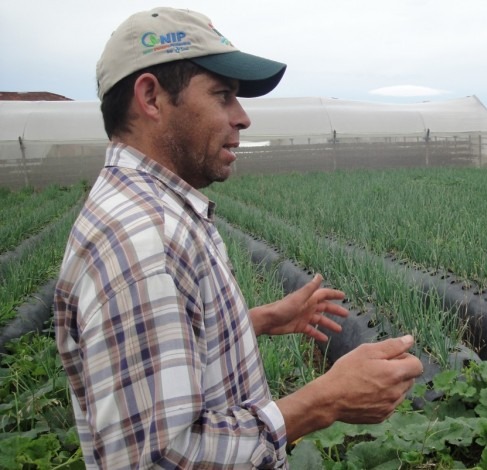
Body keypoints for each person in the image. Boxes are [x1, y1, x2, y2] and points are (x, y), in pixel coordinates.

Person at [54, 7, 423, 469]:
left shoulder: (156, 212)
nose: (242, 117)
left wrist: (262, 319)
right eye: (222, 95)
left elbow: (167, 346)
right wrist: (322, 401)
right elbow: (157, 457)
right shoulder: (140, 239)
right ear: (150, 97)